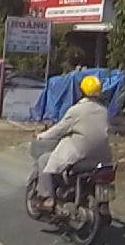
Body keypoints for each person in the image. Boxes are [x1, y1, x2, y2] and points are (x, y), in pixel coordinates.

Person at [33, 74, 113, 212]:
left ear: (81, 92)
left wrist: (41, 136)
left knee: (44, 160)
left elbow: (59, 129)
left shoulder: (76, 110)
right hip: (103, 157)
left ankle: (48, 199)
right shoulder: (104, 111)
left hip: (80, 156)